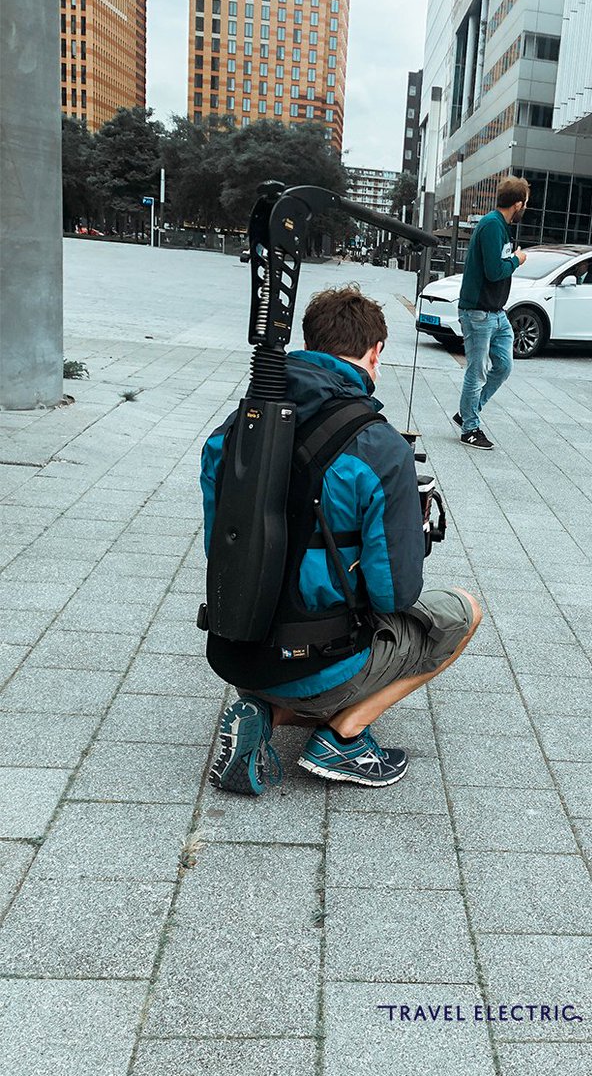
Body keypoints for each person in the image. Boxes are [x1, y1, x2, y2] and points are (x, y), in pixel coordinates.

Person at [201, 285, 482, 794]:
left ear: (311, 343)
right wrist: (410, 529)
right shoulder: (378, 445)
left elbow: (219, 547)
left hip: (237, 649)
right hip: (323, 658)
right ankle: (343, 737)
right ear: (374, 353)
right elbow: (394, 594)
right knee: (463, 612)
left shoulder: (232, 430)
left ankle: (260, 712)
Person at [455, 176, 529, 450]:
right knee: (477, 371)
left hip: (496, 312)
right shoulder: (491, 226)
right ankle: (470, 428)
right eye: (525, 205)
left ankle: (467, 412)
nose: (525, 209)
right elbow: (494, 271)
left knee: (504, 366)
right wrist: (517, 260)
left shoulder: (501, 226)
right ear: (518, 203)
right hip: (478, 312)